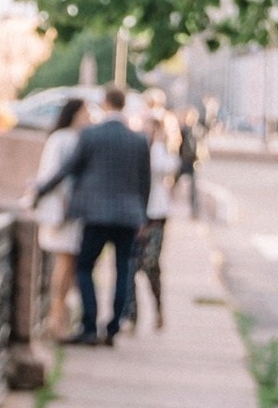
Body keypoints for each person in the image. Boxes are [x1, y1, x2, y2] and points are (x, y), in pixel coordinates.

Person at [35, 86, 153, 344]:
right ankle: (112, 329)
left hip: (95, 215)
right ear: (123, 106)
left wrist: (39, 191)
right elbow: (145, 183)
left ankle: (89, 326)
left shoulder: (91, 135)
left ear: (105, 103)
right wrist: (143, 217)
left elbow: (66, 170)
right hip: (129, 216)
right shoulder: (139, 139)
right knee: (123, 270)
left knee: (85, 268)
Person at [32, 98, 86, 338]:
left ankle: (58, 314)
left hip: (72, 211)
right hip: (63, 210)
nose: (89, 117)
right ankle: (55, 317)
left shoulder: (72, 138)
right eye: (85, 112)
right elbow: (54, 174)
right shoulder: (63, 139)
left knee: (69, 264)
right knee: (64, 263)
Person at [136, 109, 180, 328]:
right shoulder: (138, 147)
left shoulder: (161, 152)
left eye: (152, 128)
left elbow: (162, 167)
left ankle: (158, 308)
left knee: (151, 264)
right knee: (132, 266)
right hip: (137, 213)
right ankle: (131, 315)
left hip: (156, 214)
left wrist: (159, 144)